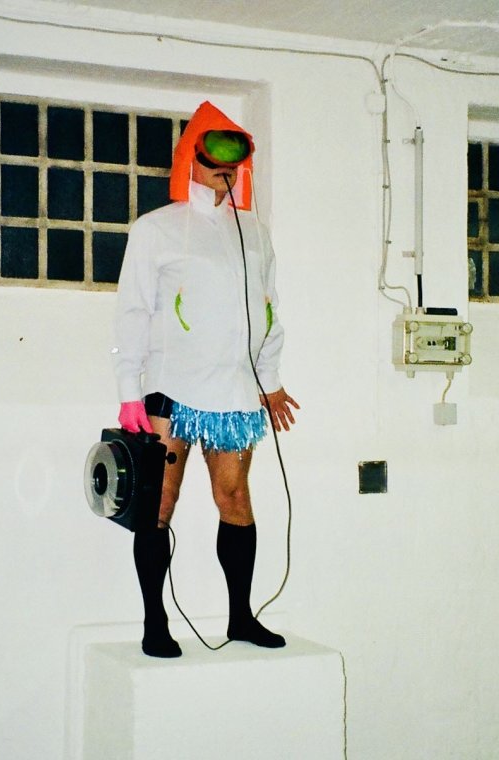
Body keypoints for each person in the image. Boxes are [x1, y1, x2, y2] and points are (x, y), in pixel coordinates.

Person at [112, 101, 299, 658]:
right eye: (214, 157)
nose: (225, 170)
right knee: (159, 504)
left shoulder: (255, 233)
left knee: (235, 496)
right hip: (170, 390)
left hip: (234, 391)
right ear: (190, 158)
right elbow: (132, 312)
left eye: (233, 161)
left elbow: (267, 309)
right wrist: (128, 393)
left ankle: (241, 617)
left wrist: (269, 378)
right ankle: (155, 623)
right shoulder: (156, 229)